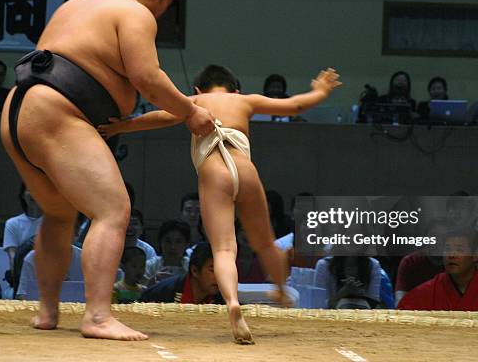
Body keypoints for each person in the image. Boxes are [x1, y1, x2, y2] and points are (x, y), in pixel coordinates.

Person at [0, 0, 214, 341]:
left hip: (20, 109)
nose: (160, 16)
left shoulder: (80, 3)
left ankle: (48, 312)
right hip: (58, 111)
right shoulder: (135, 10)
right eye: (164, 7)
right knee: (113, 209)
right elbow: (147, 78)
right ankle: (97, 316)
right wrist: (189, 111)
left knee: (60, 212)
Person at [99, 64, 341, 343]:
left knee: (224, 248)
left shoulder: (194, 102)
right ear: (235, 89)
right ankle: (281, 289)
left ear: (199, 89)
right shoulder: (245, 100)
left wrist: (121, 126)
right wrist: (320, 91)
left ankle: (233, 303)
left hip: (214, 171)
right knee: (264, 243)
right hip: (246, 169)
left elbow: (157, 117)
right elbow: (295, 106)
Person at [397, 230, 478, 312]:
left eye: (460, 249)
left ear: (475, 255)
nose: (451, 255)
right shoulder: (426, 292)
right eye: (447, 249)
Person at [140, 242, 222, 304]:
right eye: (213, 270)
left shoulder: (223, 297)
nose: (220, 277)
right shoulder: (163, 294)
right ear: (195, 271)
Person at [3, 184, 43, 285]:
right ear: (23, 195)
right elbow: (13, 261)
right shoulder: (12, 224)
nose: (34, 194)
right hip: (22, 279)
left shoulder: (55, 223)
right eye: (30, 189)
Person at [314, 255, 383, 309]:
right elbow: (318, 306)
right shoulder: (324, 265)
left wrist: (360, 294)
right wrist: (342, 294)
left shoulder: (373, 265)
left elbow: (374, 303)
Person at [144, 219, 190, 285]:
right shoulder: (150, 266)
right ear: (160, 242)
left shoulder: (191, 267)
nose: (172, 246)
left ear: (186, 244)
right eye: (167, 241)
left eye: (178, 242)